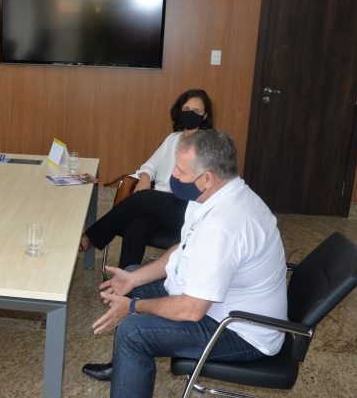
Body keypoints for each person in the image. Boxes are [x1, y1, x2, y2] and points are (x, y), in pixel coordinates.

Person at [81, 130, 288, 398]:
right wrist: (133, 279)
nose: (173, 176)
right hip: (214, 303)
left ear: (207, 177)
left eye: (181, 170)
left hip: (240, 330)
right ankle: (126, 366)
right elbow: (182, 249)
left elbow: (191, 310)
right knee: (132, 278)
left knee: (133, 332)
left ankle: (129, 354)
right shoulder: (211, 196)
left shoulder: (225, 226)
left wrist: (133, 307)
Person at [80, 89, 214, 268]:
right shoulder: (173, 138)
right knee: (137, 224)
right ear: (180, 110)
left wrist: (146, 191)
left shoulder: (207, 145)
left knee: (143, 198)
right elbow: (150, 166)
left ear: (205, 116)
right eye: (186, 109)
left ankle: (91, 237)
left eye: (196, 111)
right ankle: (125, 279)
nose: (190, 114)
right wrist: (144, 178)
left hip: (185, 208)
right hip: (157, 204)